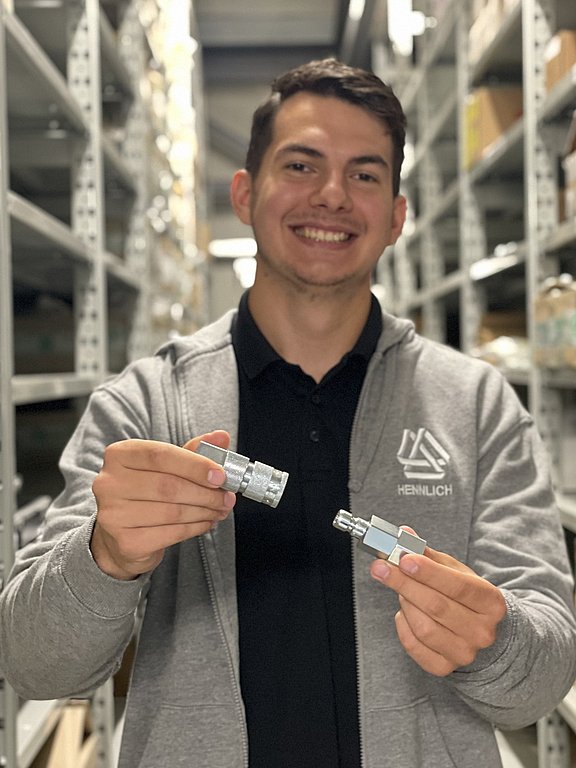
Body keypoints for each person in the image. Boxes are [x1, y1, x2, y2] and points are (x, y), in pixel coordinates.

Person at [1, 58, 575, 768]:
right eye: (301, 166)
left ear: (396, 217)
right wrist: (105, 557)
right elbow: (33, 664)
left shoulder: (477, 406)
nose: (332, 195)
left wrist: (494, 644)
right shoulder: (146, 406)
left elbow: (544, 675)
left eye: (365, 174)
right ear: (245, 193)